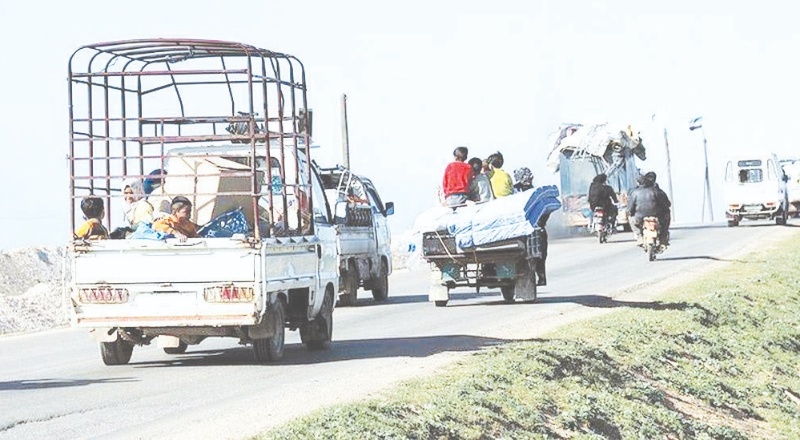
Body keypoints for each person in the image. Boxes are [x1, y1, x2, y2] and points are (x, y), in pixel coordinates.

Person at [627, 171, 671, 246]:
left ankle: (639, 236)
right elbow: (666, 205)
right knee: (666, 220)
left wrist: (630, 213)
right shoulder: (657, 191)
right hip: (657, 215)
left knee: (631, 219)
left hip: (639, 217)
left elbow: (630, 208)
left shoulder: (634, 192)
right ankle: (663, 238)